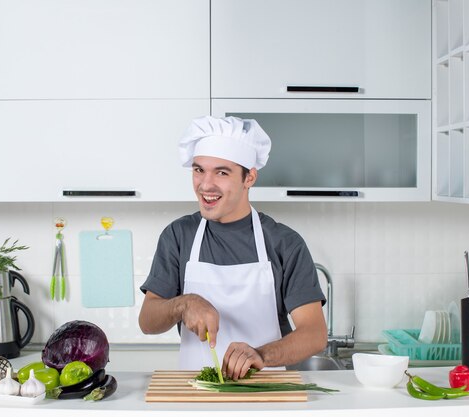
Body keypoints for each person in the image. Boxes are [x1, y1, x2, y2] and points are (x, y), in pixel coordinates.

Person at [138, 116, 327, 379]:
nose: (205, 185)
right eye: (198, 170)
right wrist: (183, 304)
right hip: (197, 395)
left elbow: (315, 334)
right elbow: (147, 321)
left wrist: (260, 355)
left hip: (266, 395)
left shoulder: (284, 243)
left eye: (222, 172)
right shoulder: (178, 236)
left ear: (249, 177)